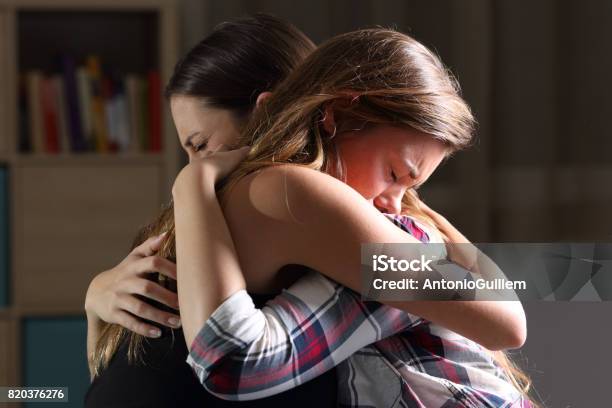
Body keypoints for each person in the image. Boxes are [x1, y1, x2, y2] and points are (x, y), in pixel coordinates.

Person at [171, 28, 536, 407]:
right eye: (395, 175)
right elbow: (506, 320)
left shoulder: (372, 228)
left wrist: (191, 184)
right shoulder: (291, 195)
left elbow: (507, 323)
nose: (394, 205)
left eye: (409, 189)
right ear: (337, 114)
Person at [84, 14, 343, 407]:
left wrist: (94, 299)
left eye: (201, 144)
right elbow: (450, 284)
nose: (195, 165)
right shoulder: (275, 196)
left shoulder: (259, 198)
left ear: (266, 114)